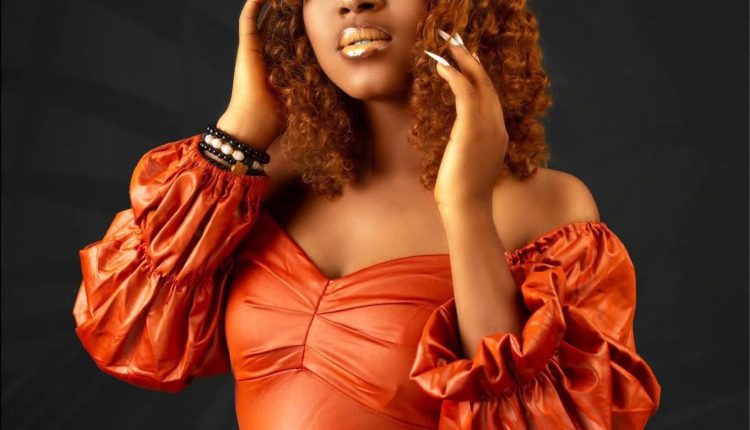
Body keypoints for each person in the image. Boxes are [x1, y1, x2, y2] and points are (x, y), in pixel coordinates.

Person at [72, 0, 661, 428]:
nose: (354, 2)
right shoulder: (260, 184)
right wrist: (243, 128)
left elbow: (536, 420)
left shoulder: (548, 209)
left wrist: (465, 207)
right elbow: (125, 334)